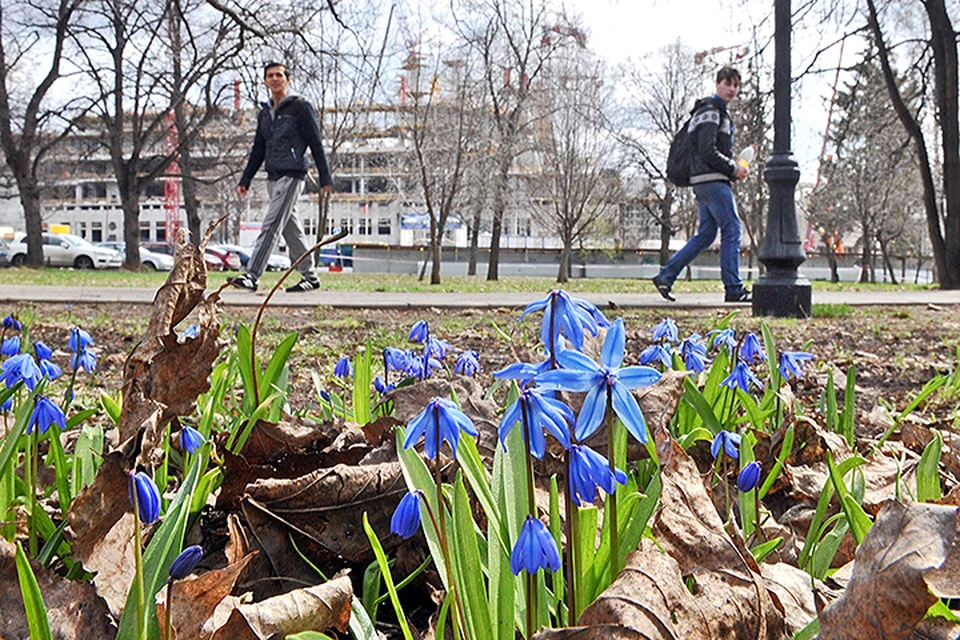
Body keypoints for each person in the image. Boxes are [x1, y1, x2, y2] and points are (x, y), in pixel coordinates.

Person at [230, 62, 333, 293]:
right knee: (290, 228)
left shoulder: (300, 107)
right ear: (266, 81)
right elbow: (258, 148)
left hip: (293, 173)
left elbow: (315, 143)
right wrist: (245, 180)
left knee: (271, 224)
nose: (275, 79)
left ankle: (252, 275)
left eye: (279, 75)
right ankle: (310, 276)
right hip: (273, 175)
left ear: (288, 79)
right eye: (270, 76)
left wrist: (325, 177)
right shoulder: (265, 113)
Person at [653, 66, 751, 303]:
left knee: (706, 234)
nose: (732, 89)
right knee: (732, 229)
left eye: (736, 85)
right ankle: (734, 288)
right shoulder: (712, 111)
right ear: (717, 84)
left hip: (702, 182)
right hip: (713, 181)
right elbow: (708, 151)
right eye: (728, 83)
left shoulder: (707, 112)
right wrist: (733, 168)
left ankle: (666, 275)